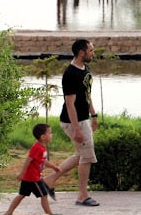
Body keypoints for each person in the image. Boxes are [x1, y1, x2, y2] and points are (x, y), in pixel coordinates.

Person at [43, 39, 101, 206]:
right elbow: (70, 103)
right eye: (90, 50)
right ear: (81, 52)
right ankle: (82, 196)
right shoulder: (70, 74)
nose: (93, 53)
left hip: (84, 119)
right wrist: (77, 129)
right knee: (87, 157)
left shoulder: (86, 69)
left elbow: (87, 95)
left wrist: (94, 115)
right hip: (73, 121)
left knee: (80, 155)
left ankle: (49, 180)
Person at [4, 123, 63, 215]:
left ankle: (9, 212)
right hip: (33, 178)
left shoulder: (42, 148)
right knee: (44, 195)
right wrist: (21, 173)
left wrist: (54, 167)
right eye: (50, 133)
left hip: (29, 177)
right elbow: (28, 160)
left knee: (21, 195)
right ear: (43, 136)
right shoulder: (37, 148)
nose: (52, 135)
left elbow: (43, 161)